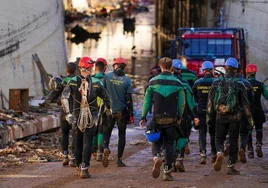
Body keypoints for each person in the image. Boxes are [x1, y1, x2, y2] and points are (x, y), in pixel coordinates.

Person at [61, 56, 111, 178]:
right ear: (91, 67)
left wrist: (68, 114)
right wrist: (106, 111)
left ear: (80, 67)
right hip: (92, 117)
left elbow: (64, 97)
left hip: (76, 116)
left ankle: (78, 165)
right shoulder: (97, 83)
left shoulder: (72, 81)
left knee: (77, 142)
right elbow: (107, 99)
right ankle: (84, 167)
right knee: (87, 143)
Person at [139, 57, 186, 181]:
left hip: (157, 118)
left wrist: (143, 116)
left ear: (160, 66)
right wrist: (180, 116)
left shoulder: (153, 82)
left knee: (156, 141)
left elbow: (147, 102)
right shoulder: (177, 83)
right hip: (171, 119)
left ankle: (156, 157)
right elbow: (182, 103)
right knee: (170, 144)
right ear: (171, 67)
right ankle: (167, 171)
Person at [207, 57, 254, 175]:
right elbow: (245, 104)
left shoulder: (216, 82)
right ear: (236, 70)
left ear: (225, 67)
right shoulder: (240, 84)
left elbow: (210, 103)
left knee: (219, 138)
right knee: (233, 140)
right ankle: (231, 166)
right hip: (235, 117)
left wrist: (209, 117)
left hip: (220, 116)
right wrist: (249, 119)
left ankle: (219, 152)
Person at [102, 57, 134, 168]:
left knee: (107, 132)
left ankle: (105, 147)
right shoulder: (127, 80)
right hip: (122, 111)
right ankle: (119, 160)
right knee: (121, 134)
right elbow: (129, 99)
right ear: (124, 67)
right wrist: (131, 114)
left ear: (114, 66)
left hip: (109, 110)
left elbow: (103, 93)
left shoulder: (107, 77)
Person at [47, 63, 77, 167]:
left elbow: (51, 97)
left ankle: (65, 156)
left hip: (64, 113)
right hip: (75, 113)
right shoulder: (79, 81)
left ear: (66, 71)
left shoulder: (62, 81)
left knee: (64, 134)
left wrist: (59, 101)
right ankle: (73, 157)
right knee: (75, 135)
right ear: (75, 70)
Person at [172, 59, 199, 172]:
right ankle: (179, 159)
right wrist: (195, 116)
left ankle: (170, 162)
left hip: (168, 115)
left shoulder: (161, 81)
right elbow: (191, 101)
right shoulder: (186, 83)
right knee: (183, 136)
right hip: (184, 114)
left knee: (170, 138)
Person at [192, 61, 217, 164]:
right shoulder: (216, 82)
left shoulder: (197, 82)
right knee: (213, 133)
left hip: (201, 110)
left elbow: (193, 98)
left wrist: (194, 114)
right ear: (212, 70)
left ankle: (202, 154)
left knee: (202, 132)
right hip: (213, 111)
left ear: (203, 70)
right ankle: (214, 154)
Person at [246, 64, 268, 158]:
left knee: (248, 130)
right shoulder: (260, 85)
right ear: (255, 73)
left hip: (248, 111)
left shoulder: (243, 84)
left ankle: (250, 150)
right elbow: (267, 96)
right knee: (259, 128)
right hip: (258, 110)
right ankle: (258, 144)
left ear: (247, 72)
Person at [236, 64, 254, 163]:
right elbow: (251, 100)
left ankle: (231, 155)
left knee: (232, 133)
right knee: (244, 132)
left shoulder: (227, 82)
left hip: (231, 113)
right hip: (244, 111)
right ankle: (242, 147)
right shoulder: (247, 83)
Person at [92, 57, 108, 162]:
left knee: (92, 130)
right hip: (103, 107)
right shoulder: (108, 79)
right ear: (105, 68)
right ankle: (100, 152)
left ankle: (93, 150)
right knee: (102, 130)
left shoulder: (90, 79)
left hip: (91, 107)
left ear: (94, 68)